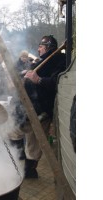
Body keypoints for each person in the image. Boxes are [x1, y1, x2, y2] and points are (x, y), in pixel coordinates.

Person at [9, 35, 66, 179]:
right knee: (15, 132)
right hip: (27, 109)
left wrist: (39, 80)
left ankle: (29, 172)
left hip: (42, 110)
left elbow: (57, 83)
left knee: (33, 144)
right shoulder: (42, 61)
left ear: (47, 47)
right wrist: (24, 74)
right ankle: (17, 160)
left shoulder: (59, 61)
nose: (38, 49)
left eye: (41, 46)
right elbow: (30, 72)